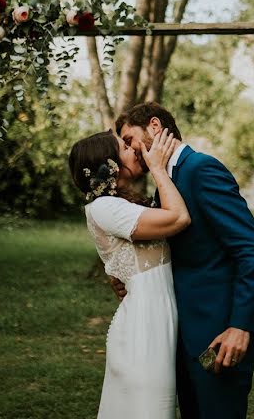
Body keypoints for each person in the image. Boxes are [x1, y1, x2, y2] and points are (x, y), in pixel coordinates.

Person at [114, 102, 254, 419]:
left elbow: (251, 248)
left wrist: (241, 326)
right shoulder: (166, 182)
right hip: (183, 334)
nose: (129, 151)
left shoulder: (200, 169)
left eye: (129, 140)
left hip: (218, 334)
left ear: (154, 127)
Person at [68, 128, 191, 419]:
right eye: (123, 148)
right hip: (143, 330)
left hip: (156, 321)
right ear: (109, 164)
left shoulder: (120, 203)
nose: (133, 150)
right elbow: (178, 218)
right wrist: (158, 168)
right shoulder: (105, 207)